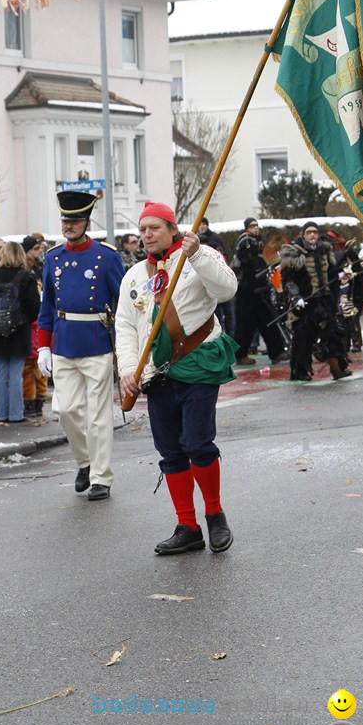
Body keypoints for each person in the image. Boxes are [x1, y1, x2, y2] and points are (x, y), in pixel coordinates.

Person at [117, 200, 238, 555]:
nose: (147, 235)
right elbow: (125, 326)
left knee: (197, 443)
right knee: (170, 451)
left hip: (198, 364)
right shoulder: (135, 275)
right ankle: (188, 525)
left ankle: (215, 515)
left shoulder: (199, 256)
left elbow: (227, 290)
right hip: (157, 372)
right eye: (142, 230)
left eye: (154, 228)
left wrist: (198, 254)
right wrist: (127, 369)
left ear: (173, 229)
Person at [36, 191, 124, 501]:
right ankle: (85, 461)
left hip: (96, 340)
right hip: (62, 341)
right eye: (64, 220)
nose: (68, 226)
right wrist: (42, 346)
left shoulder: (107, 256)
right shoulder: (53, 257)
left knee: (99, 414)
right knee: (64, 409)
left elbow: (122, 304)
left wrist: (122, 346)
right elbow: (46, 305)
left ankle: (101, 476)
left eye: (74, 221)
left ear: (86, 222)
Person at [279, 221, 351, 380]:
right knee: (302, 340)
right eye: (309, 232)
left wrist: (338, 276)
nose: (313, 235)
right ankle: (300, 372)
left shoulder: (325, 251)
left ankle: (338, 368)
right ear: (303, 235)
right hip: (306, 303)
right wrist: (296, 297)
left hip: (324, 302)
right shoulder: (294, 254)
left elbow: (331, 273)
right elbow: (289, 281)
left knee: (333, 335)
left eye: (315, 232)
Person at [0, 241, 40, 423]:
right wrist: (23, 321)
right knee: (15, 373)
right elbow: (34, 307)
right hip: (19, 331)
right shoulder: (27, 276)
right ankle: (15, 414)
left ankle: (1, 414)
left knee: (0, 372)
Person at [233, 218, 288, 366]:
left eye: (256, 226)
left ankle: (276, 351)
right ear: (246, 228)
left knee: (268, 321)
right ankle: (240, 355)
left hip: (261, 289)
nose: (255, 228)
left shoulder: (259, 242)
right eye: (252, 226)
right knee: (245, 324)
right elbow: (247, 260)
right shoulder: (245, 242)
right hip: (247, 290)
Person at [21, 235, 47, 419]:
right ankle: (31, 401)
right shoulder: (26, 272)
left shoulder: (39, 268)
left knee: (39, 369)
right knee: (29, 369)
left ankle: (37, 401)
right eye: (36, 248)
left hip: (38, 322)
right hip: (32, 322)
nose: (39, 252)